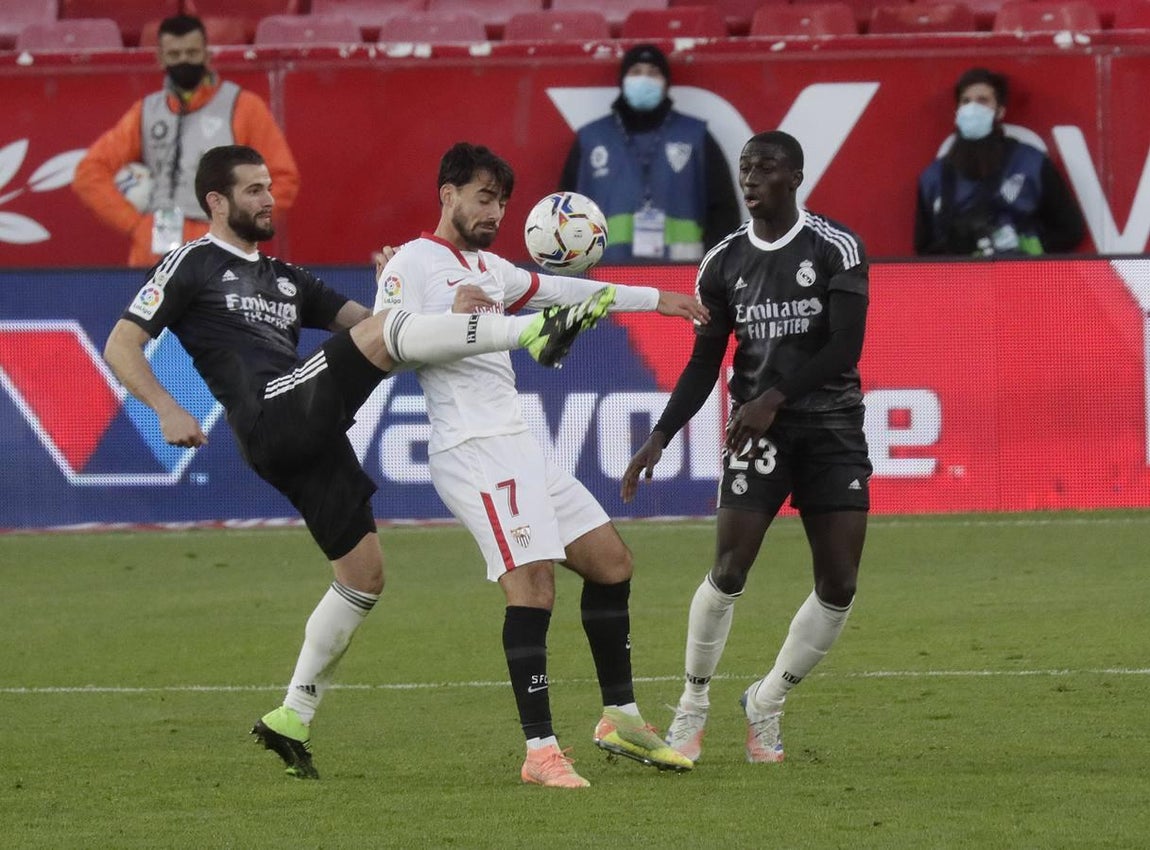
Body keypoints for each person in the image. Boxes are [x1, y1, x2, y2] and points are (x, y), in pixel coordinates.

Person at [102, 144, 615, 781]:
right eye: (255, 190)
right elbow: (122, 344)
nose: (269, 199)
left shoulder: (287, 279)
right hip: (271, 413)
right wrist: (163, 408)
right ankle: (536, 333)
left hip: (311, 434)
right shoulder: (192, 264)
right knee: (382, 335)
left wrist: (411, 299)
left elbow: (378, 326)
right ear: (216, 201)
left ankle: (292, 714)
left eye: (269, 187)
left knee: (365, 575)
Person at [375, 142, 708, 789]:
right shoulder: (412, 263)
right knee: (532, 588)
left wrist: (654, 299)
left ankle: (621, 718)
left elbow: (560, 290)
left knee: (612, 564)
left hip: (519, 441)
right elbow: (389, 339)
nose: (493, 211)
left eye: (499, 201)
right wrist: (455, 316)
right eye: (481, 197)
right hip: (471, 449)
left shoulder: (491, 269)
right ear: (446, 194)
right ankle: (541, 752)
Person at [622, 131, 870, 765]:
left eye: (764, 169)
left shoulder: (836, 247)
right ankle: (691, 707)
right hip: (758, 434)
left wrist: (773, 396)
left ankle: (767, 700)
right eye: (744, 169)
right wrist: (659, 436)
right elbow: (706, 362)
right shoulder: (722, 262)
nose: (750, 179)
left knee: (839, 583)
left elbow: (844, 349)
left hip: (831, 427)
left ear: (795, 176)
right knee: (730, 568)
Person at [73, 15, 300, 268]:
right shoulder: (146, 111)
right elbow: (89, 172)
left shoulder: (244, 107)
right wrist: (134, 225)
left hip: (223, 249)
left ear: (207, 55)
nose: (184, 60)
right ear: (160, 58)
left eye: (192, 52)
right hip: (155, 249)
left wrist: (239, 224)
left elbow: (282, 179)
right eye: (175, 54)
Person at [559, 43, 741, 265]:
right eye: (636, 72)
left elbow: (724, 213)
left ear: (666, 84)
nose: (643, 79)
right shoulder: (591, 140)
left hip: (682, 277)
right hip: (605, 278)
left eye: (653, 73)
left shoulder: (696, 137)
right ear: (622, 81)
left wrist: (715, 273)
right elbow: (562, 214)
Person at [915, 66, 1085, 257]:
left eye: (983, 101)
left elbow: (1071, 230)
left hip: (1020, 279)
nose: (972, 108)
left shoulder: (1031, 164)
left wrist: (1024, 246)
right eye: (966, 101)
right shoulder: (934, 177)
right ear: (957, 112)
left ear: (1000, 111)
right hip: (961, 283)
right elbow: (924, 247)